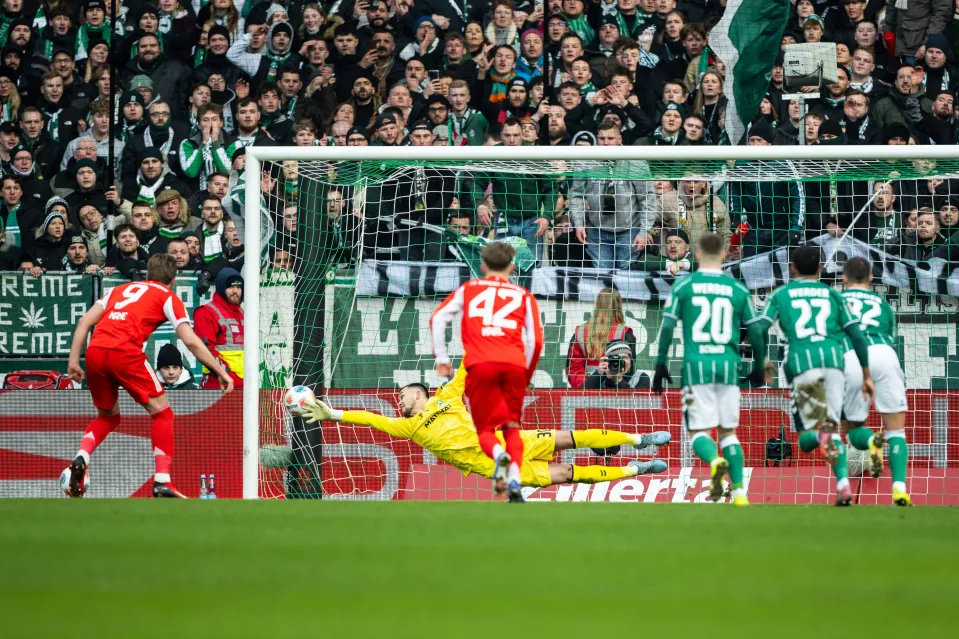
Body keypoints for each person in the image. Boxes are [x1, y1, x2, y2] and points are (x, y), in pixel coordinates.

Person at [301, 363, 669, 491]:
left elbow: (466, 368)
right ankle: (636, 469)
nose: (398, 402)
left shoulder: (446, 396)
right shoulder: (407, 428)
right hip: (498, 467)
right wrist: (333, 414)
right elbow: (372, 419)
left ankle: (640, 439)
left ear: (417, 392)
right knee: (567, 474)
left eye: (402, 395)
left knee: (569, 437)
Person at [64, 254, 233, 499]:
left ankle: (82, 457)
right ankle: (162, 481)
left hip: (95, 352)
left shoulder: (118, 290)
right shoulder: (167, 296)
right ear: (173, 280)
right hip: (125, 353)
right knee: (163, 414)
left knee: (108, 417)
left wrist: (73, 360)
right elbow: (190, 341)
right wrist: (220, 371)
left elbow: (84, 321)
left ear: (147, 274)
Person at [652, 232, 767, 506]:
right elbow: (756, 330)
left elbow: (667, 326)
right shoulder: (738, 289)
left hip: (696, 368)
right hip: (728, 367)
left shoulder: (684, 285)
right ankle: (739, 493)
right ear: (725, 255)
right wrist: (760, 364)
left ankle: (715, 461)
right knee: (728, 433)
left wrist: (660, 364)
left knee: (698, 432)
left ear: (698, 255)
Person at [756, 245, 875, 507]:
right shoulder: (833, 295)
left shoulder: (781, 294)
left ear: (792, 268)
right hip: (834, 363)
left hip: (802, 364)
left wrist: (762, 359)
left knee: (807, 439)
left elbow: (759, 327)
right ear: (820, 268)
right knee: (830, 427)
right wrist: (866, 373)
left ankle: (828, 449)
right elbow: (857, 335)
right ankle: (842, 483)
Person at [429, 242, 544, 502]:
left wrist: (443, 359)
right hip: (513, 364)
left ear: (482, 266)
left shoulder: (469, 289)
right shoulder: (524, 295)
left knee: (485, 430)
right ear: (512, 267)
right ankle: (514, 480)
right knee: (512, 427)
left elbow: (438, 318)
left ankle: (498, 456)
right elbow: (535, 341)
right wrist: (525, 374)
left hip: (480, 364)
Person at [839, 257, 912, 506]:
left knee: (852, 430)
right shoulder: (883, 304)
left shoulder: (837, 300)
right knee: (897, 432)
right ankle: (900, 490)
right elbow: (891, 336)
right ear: (871, 278)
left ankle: (871, 441)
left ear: (843, 277)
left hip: (852, 356)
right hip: (884, 355)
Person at [565, 287, 636, 389]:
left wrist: (587, 386)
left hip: (587, 391)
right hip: (614, 390)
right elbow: (629, 369)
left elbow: (573, 369)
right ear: (618, 306)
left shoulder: (580, 332)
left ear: (597, 304)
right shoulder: (625, 333)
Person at [193, 268, 245, 390]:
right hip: (218, 385)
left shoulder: (242, 313)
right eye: (230, 287)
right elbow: (206, 351)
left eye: (238, 287)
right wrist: (226, 375)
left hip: (244, 386)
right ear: (221, 287)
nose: (235, 291)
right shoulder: (206, 312)